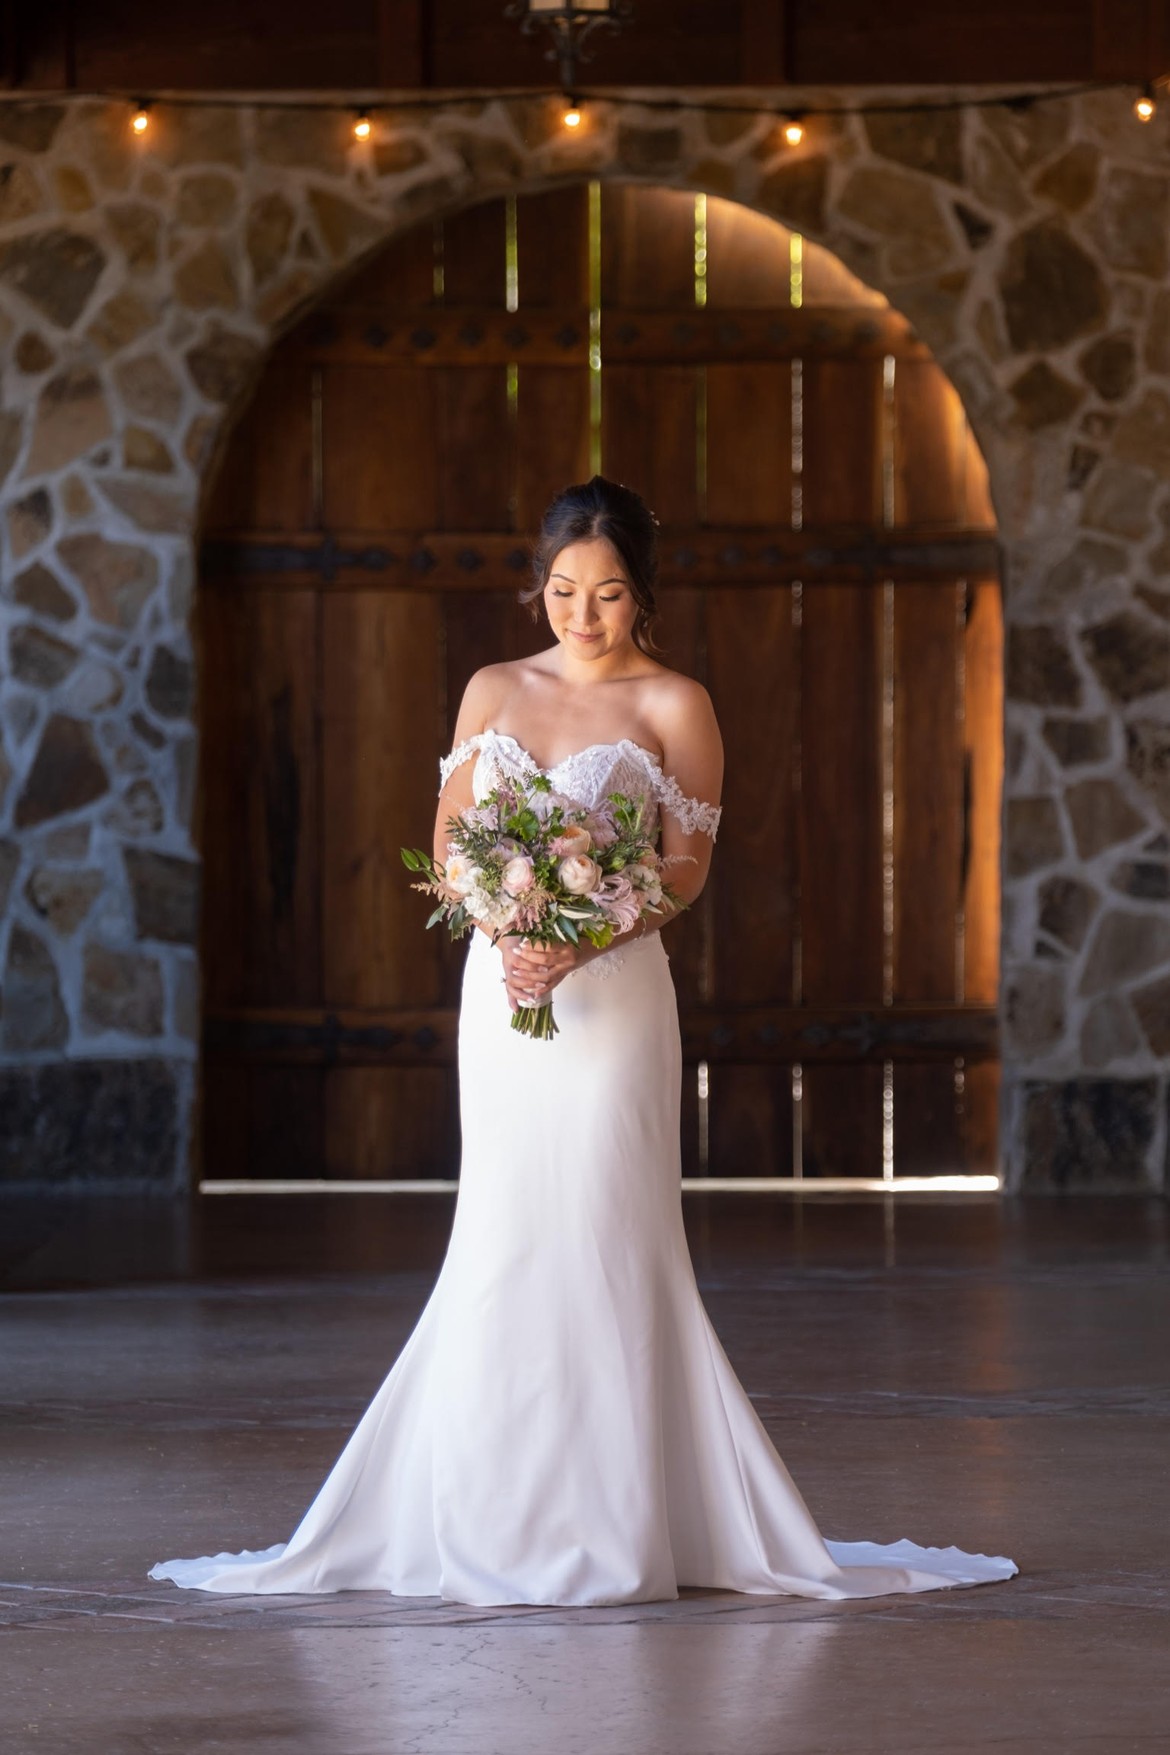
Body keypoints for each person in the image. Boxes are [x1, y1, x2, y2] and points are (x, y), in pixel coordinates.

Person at [150, 476, 1016, 1605]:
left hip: (613, 999)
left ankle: (627, 1522)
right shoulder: (491, 689)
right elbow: (451, 837)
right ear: (539, 585)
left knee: (609, 1233)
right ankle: (481, 1511)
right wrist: (503, 921)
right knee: (503, 1233)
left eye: (607, 593)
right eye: (564, 589)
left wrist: (588, 926)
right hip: (499, 992)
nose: (582, 614)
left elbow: (688, 865)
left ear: (639, 595)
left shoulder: (675, 703)